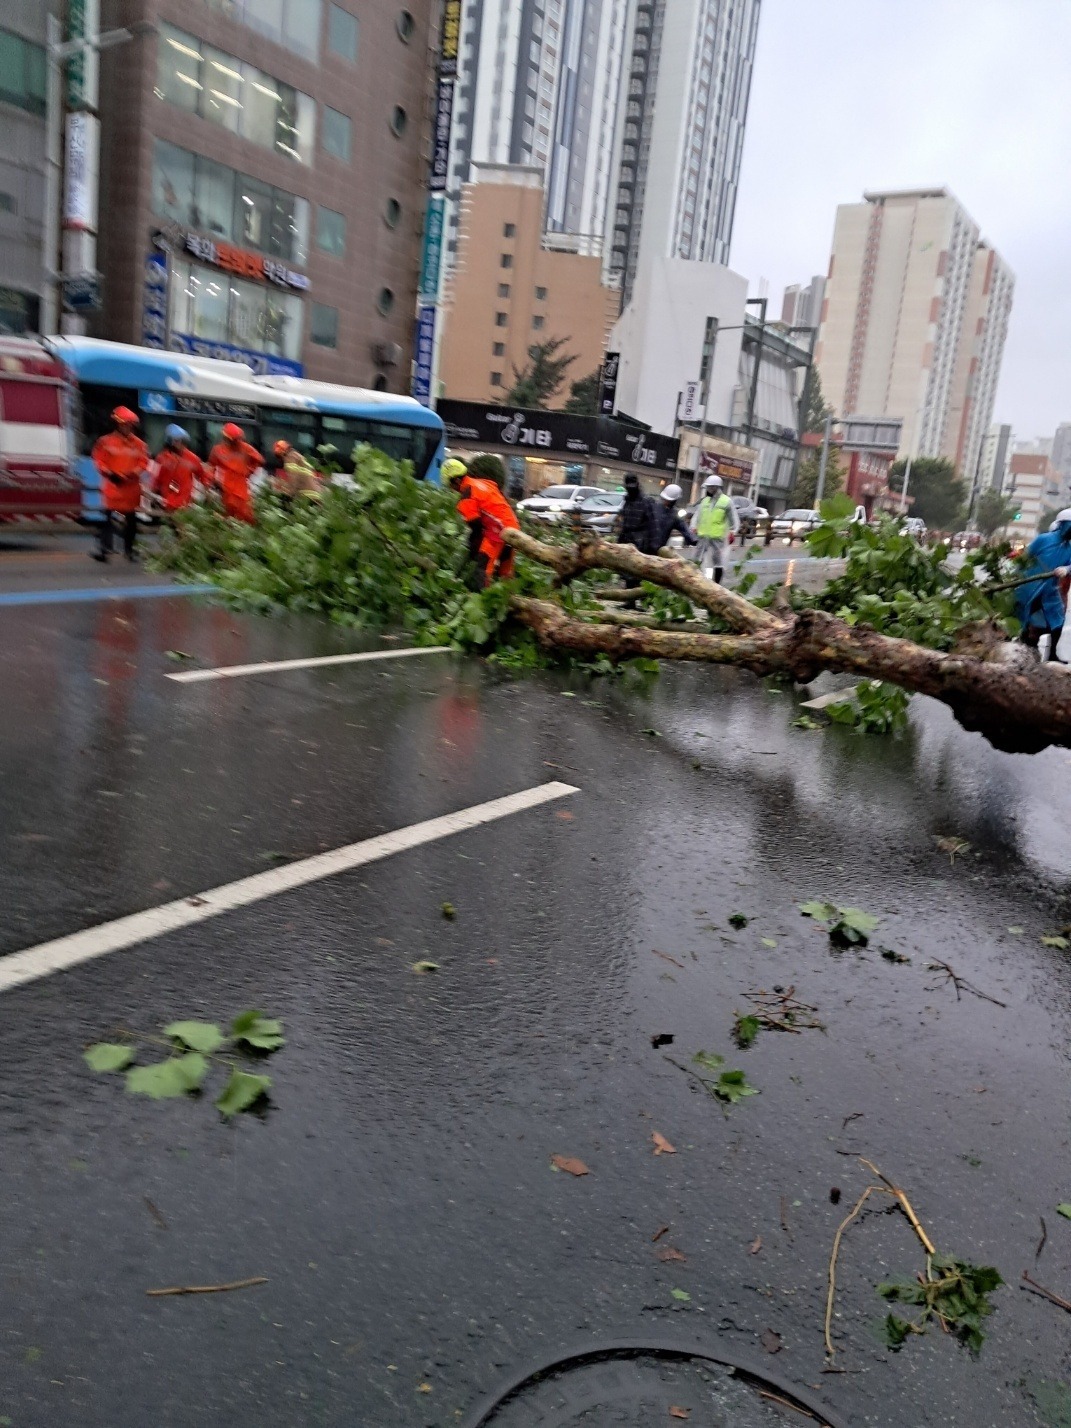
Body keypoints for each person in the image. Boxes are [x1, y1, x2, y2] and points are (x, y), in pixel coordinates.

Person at [443, 456, 520, 586]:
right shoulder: (483, 482)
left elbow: (476, 526)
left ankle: (482, 599)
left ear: (456, 480)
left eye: (451, 485)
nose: (452, 489)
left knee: (482, 569)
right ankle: (509, 598)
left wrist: (474, 546)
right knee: (505, 571)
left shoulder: (467, 495)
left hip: (497, 531)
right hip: (513, 527)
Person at [91, 406, 150, 562]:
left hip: (131, 489)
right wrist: (110, 473)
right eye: (125, 424)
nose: (127, 427)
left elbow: (144, 463)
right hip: (113, 487)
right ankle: (104, 551)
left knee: (131, 523)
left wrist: (132, 474)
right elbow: (99, 461)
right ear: (117, 424)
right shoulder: (104, 442)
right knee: (107, 520)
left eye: (130, 425)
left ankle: (129, 551)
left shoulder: (140, 444)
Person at [1014, 509, 1071, 661]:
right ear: (1064, 525)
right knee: (1025, 620)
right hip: (1030, 587)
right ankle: (1025, 649)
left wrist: (1066, 569)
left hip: (1050, 590)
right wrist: (1016, 576)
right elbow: (1025, 559)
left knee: (1057, 620)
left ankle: (1052, 654)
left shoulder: (1069, 548)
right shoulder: (1043, 539)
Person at [207, 422, 263, 523]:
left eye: (236, 440)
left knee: (246, 516)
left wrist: (249, 471)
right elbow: (211, 466)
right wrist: (212, 481)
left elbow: (259, 460)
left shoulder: (245, 448)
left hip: (240, 488)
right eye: (232, 440)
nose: (234, 442)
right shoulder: (217, 450)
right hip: (226, 489)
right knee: (228, 516)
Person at [693, 474, 740, 584]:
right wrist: (694, 527)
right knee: (696, 560)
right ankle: (696, 582)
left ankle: (716, 585)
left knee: (718, 563)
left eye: (710, 487)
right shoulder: (705, 501)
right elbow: (697, 516)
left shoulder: (726, 502)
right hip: (703, 537)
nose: (708, 490)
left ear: (715, 488)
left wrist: (733, 532)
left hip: (717, 539)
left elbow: (734, 520)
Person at [150, 425, 204, 517]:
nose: (181, 444)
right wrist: (154, 495)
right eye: (177, 441)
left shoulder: (193, 459)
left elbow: (202, 476)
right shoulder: (161, 458)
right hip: (166, 502)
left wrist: (203, 492)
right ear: (170, 441)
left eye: (182, 441)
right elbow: (156, 479)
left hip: (184, 504)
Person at [615, 473, 658, 588]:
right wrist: (619, 539)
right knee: (628, 569)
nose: (631, 489)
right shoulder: (627, 501)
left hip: (641, 539)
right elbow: (624, 521)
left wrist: (653, 543)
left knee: (638, 570)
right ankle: (630, 599)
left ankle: (636, 596)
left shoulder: (646, 501)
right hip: (627, 537)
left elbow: (652, 522)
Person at [651, 483, 698, 555]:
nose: (666, 501)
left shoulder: (673, 515)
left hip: (657, 550)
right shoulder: (653, 507)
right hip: (652, 548)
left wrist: (696, 541)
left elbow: (687, 532)